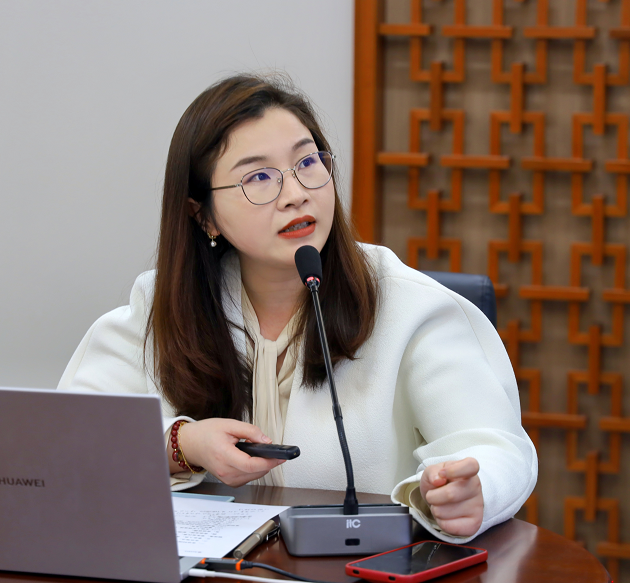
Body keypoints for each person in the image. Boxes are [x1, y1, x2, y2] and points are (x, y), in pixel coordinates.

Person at [57, 74, 537, 543]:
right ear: (203, 215)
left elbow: (495, 446)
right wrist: (185, 444)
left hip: (355, 569)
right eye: (258, 177)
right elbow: (69, 440)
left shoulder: (409, 307)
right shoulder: (162, 307)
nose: (296, 194)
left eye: (308, 162)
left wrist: (470, 490)